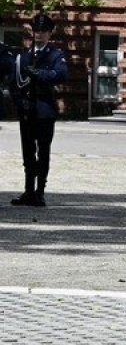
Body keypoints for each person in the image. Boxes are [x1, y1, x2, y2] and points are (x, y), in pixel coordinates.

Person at [8, 14, 69, 207]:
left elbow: (61, 74)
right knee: (28, 152)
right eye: (36, 31)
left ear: (50, 33)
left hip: (44, 110)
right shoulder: (23, 56)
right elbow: (13, 83)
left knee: (43, 152)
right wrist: (20, 102)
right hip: (27, 110)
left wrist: (40, 74)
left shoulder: (55, 55)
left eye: (43, 31)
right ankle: (28, 190)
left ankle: (40, 192)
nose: (39, 34)